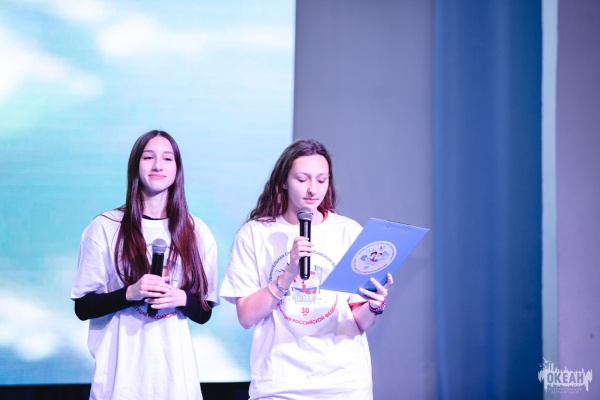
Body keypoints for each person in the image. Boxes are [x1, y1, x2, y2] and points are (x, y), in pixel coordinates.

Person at [220, 138, 393, 399]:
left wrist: (374, 306)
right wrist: (288, 274)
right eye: (302, 179)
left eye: (322, 180)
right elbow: (246, 316)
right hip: (279, 384)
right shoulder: (255, 233)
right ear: (283, 181)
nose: (313, 189)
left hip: (343, 383)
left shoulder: (347, 231)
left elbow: (359, 320)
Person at [71, 130, 219, 400]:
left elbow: (204, 312)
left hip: (175, 381)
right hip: (120, 378)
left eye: (167, 158)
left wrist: (181, 298)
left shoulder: (196, 231)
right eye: (148, 157)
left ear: (177, 169)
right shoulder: (105, 227)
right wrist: (131, 292)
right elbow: (83, 307)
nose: (158, 165)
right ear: (135, 165)